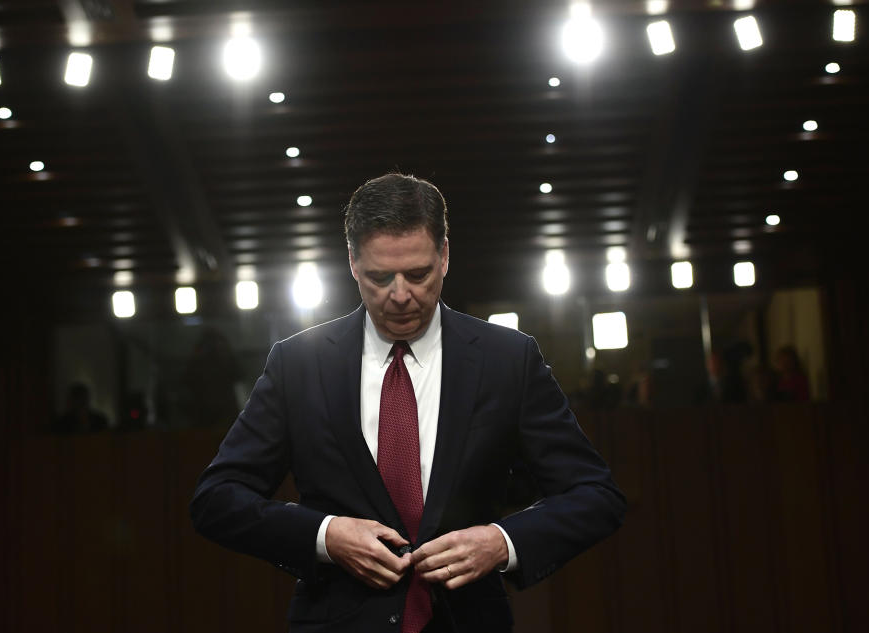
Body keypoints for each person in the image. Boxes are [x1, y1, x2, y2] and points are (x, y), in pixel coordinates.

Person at [190, 173, 625, 632]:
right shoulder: (298, 364)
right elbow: (216, 500)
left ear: (445, 256)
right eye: (380, 277)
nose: (400, 295)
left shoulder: (508, 360)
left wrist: (502, 541)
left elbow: (596, 496)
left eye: (418, 274)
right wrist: (326, 536)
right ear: (353, 264)